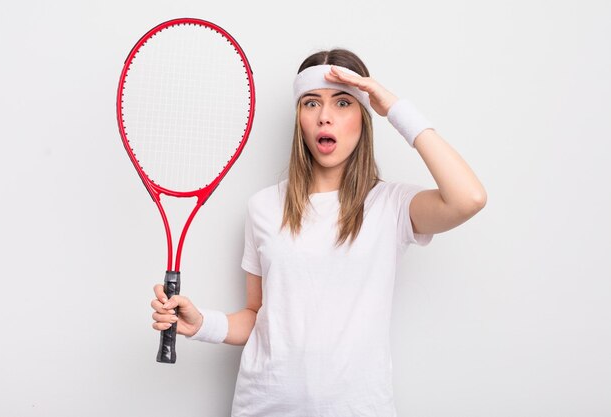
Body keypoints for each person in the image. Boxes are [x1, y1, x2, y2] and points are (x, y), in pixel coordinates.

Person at [151, 48, 487, 416]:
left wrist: (391, 106)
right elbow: (258, 314)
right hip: (263, 406)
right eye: (311, 103)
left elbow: (468, 198)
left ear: (364, 114)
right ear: (300, 118)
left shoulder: (390, 205)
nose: (325, 117)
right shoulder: (263, 207)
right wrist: (203, 324)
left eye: (343, 103)